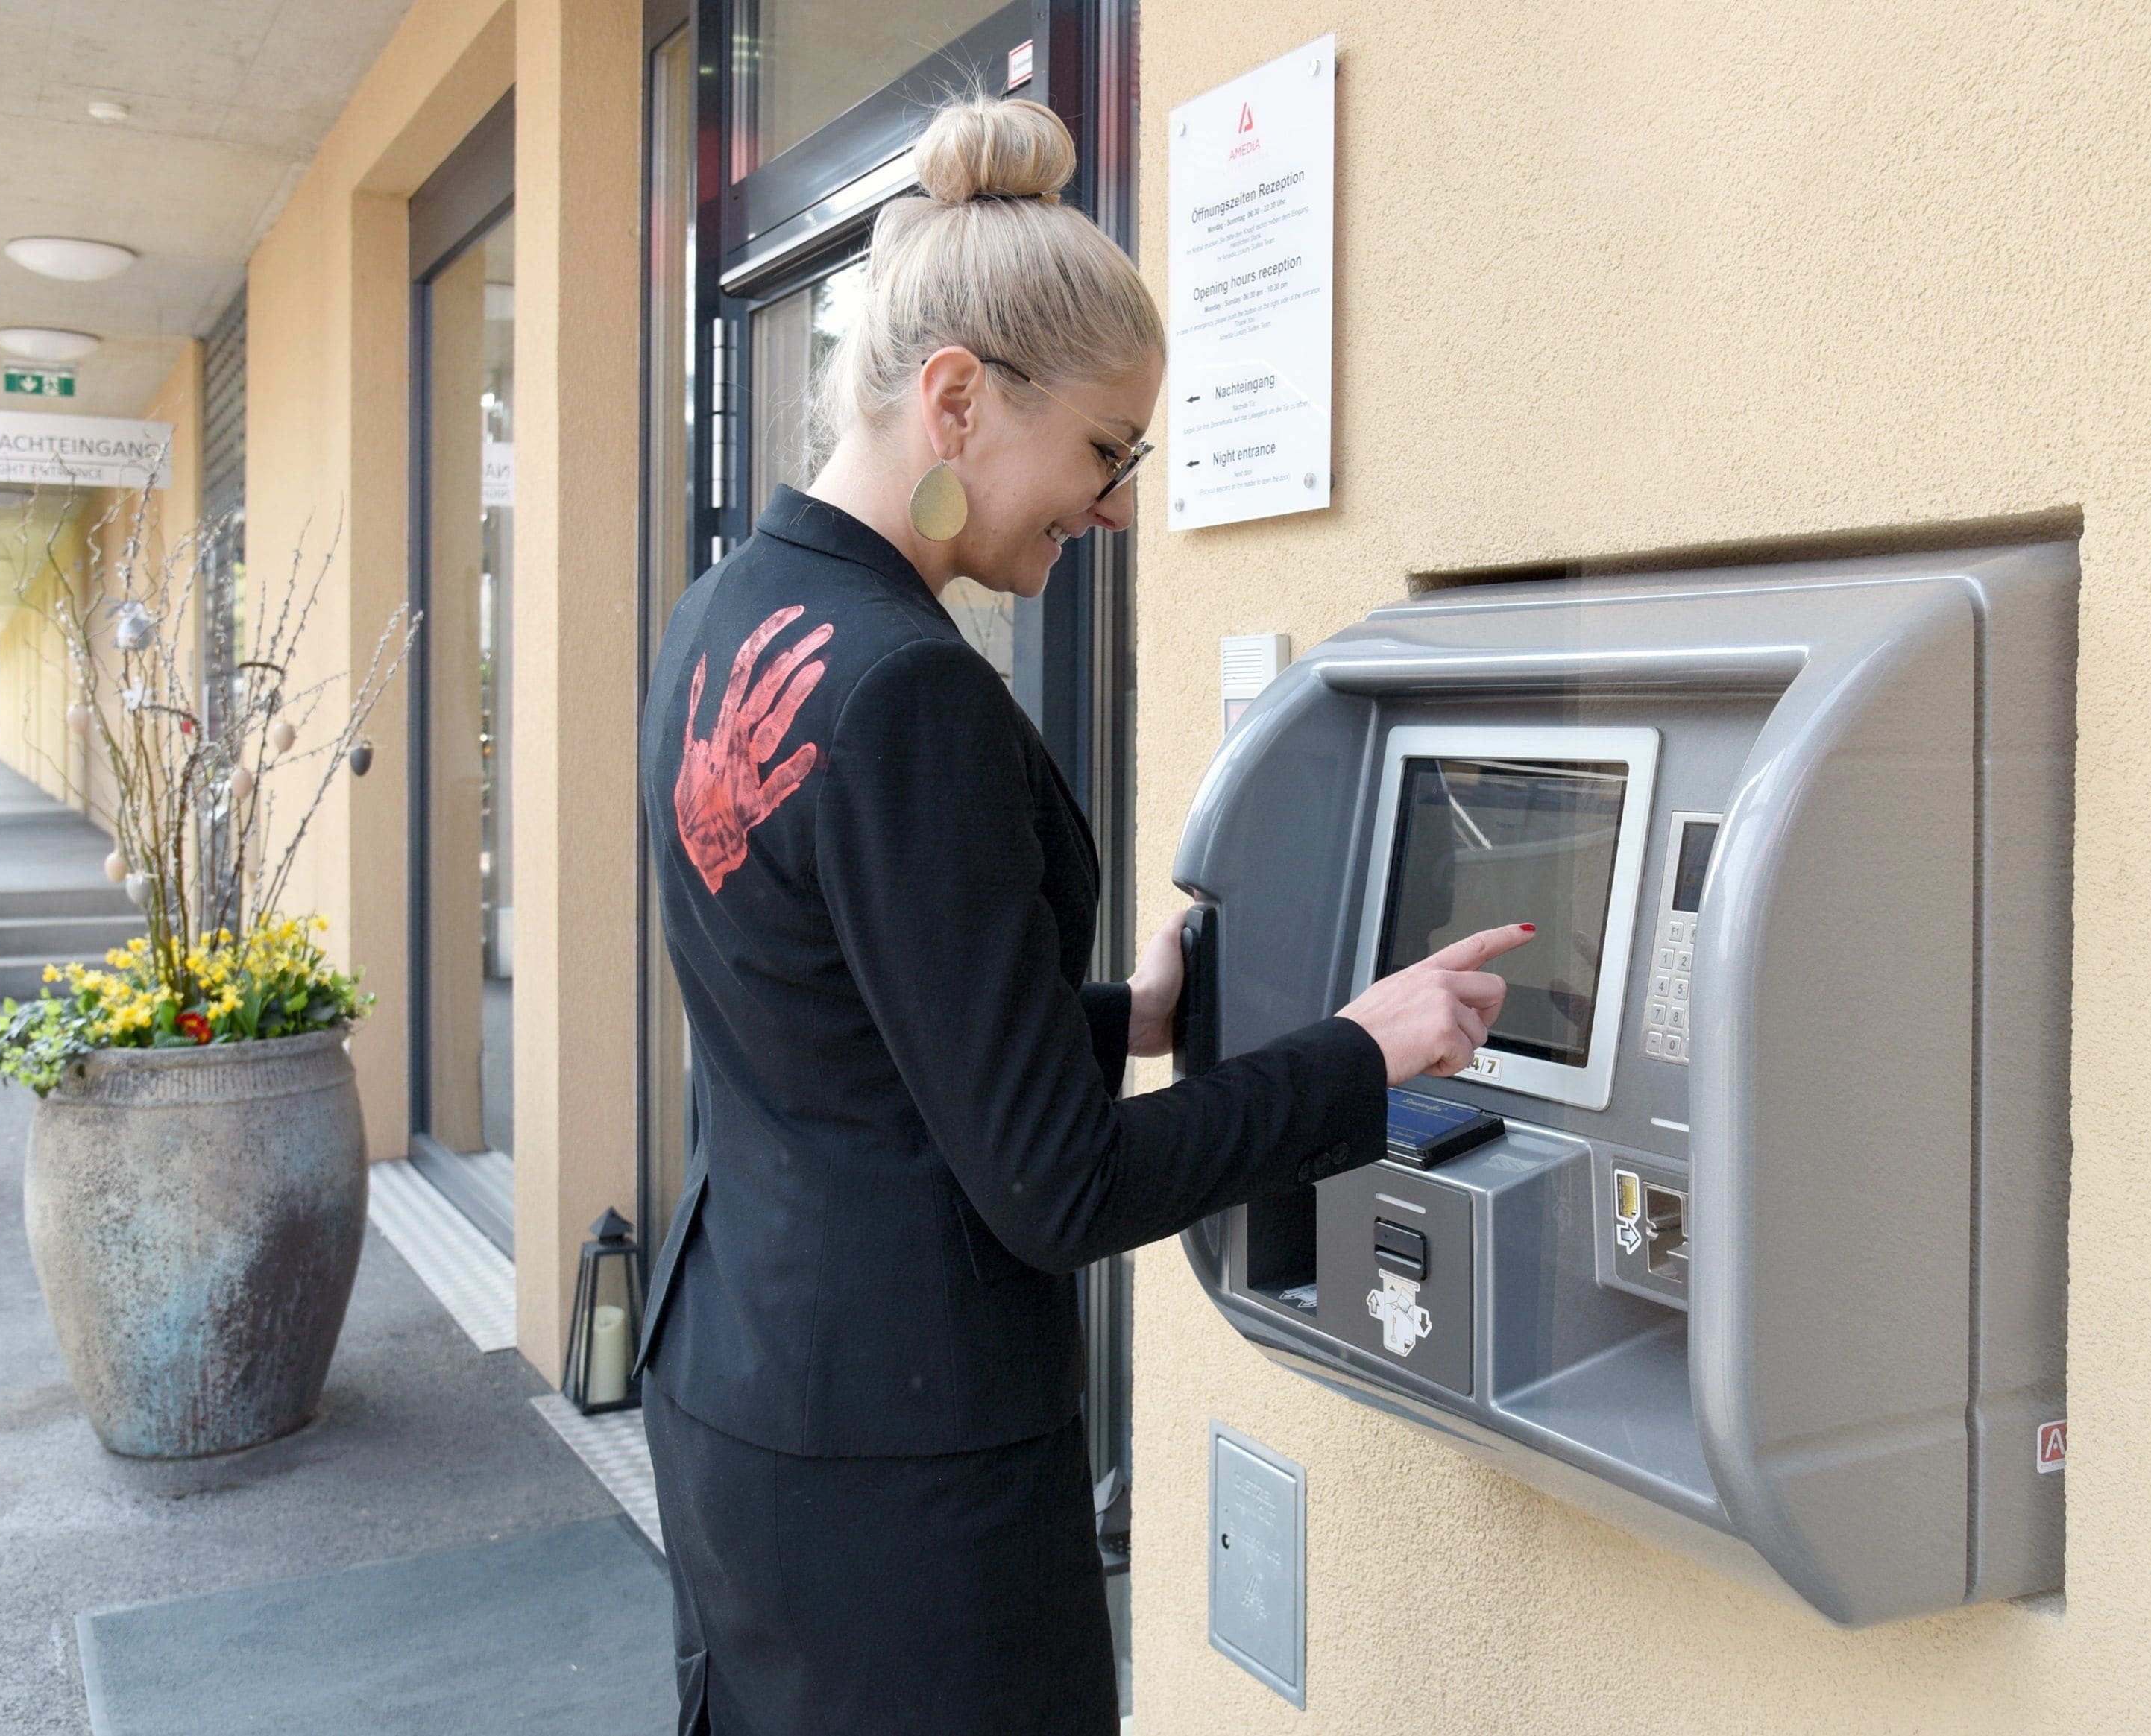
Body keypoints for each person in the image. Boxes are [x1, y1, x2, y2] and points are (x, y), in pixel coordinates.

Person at [633, 96, 1528, 1735]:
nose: (1114, 507)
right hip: (905, 1459)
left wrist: (1125, 1016)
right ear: (958, 401)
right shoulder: (911, 693)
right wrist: (1362, 1052)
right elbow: (1056, 1185)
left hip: (738, 1386)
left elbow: (837, 998)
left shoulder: (727, 616)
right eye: (1107, 452)